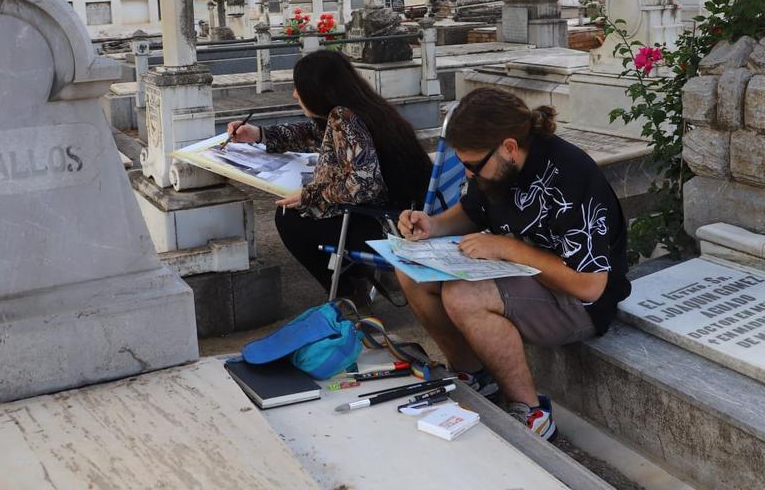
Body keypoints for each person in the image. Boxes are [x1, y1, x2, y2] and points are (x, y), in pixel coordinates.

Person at [396, 88, 630, 440]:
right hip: (523, 276)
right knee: (410, 272)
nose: (470, 175)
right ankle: (473, 376)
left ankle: (532, 413)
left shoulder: (569, 175)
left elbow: (589, 285)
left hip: (578, 303)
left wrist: (507, 248)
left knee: (464, 296)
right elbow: (473, 211)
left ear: (508, 147)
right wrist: (434, 226)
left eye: (473, 165)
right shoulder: (498, 167)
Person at [226, 49, 431, 300]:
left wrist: (311, 194)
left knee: (289, 218)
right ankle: (354, 281)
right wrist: (258, 134)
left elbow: (364, 184)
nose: (294, 94)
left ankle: (348, 294)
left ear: (317, 90)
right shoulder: (363, 108)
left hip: (386, 225)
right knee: (299, 211)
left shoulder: (345, 119)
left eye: (298, 87)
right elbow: (313, 134)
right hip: (404, 213)